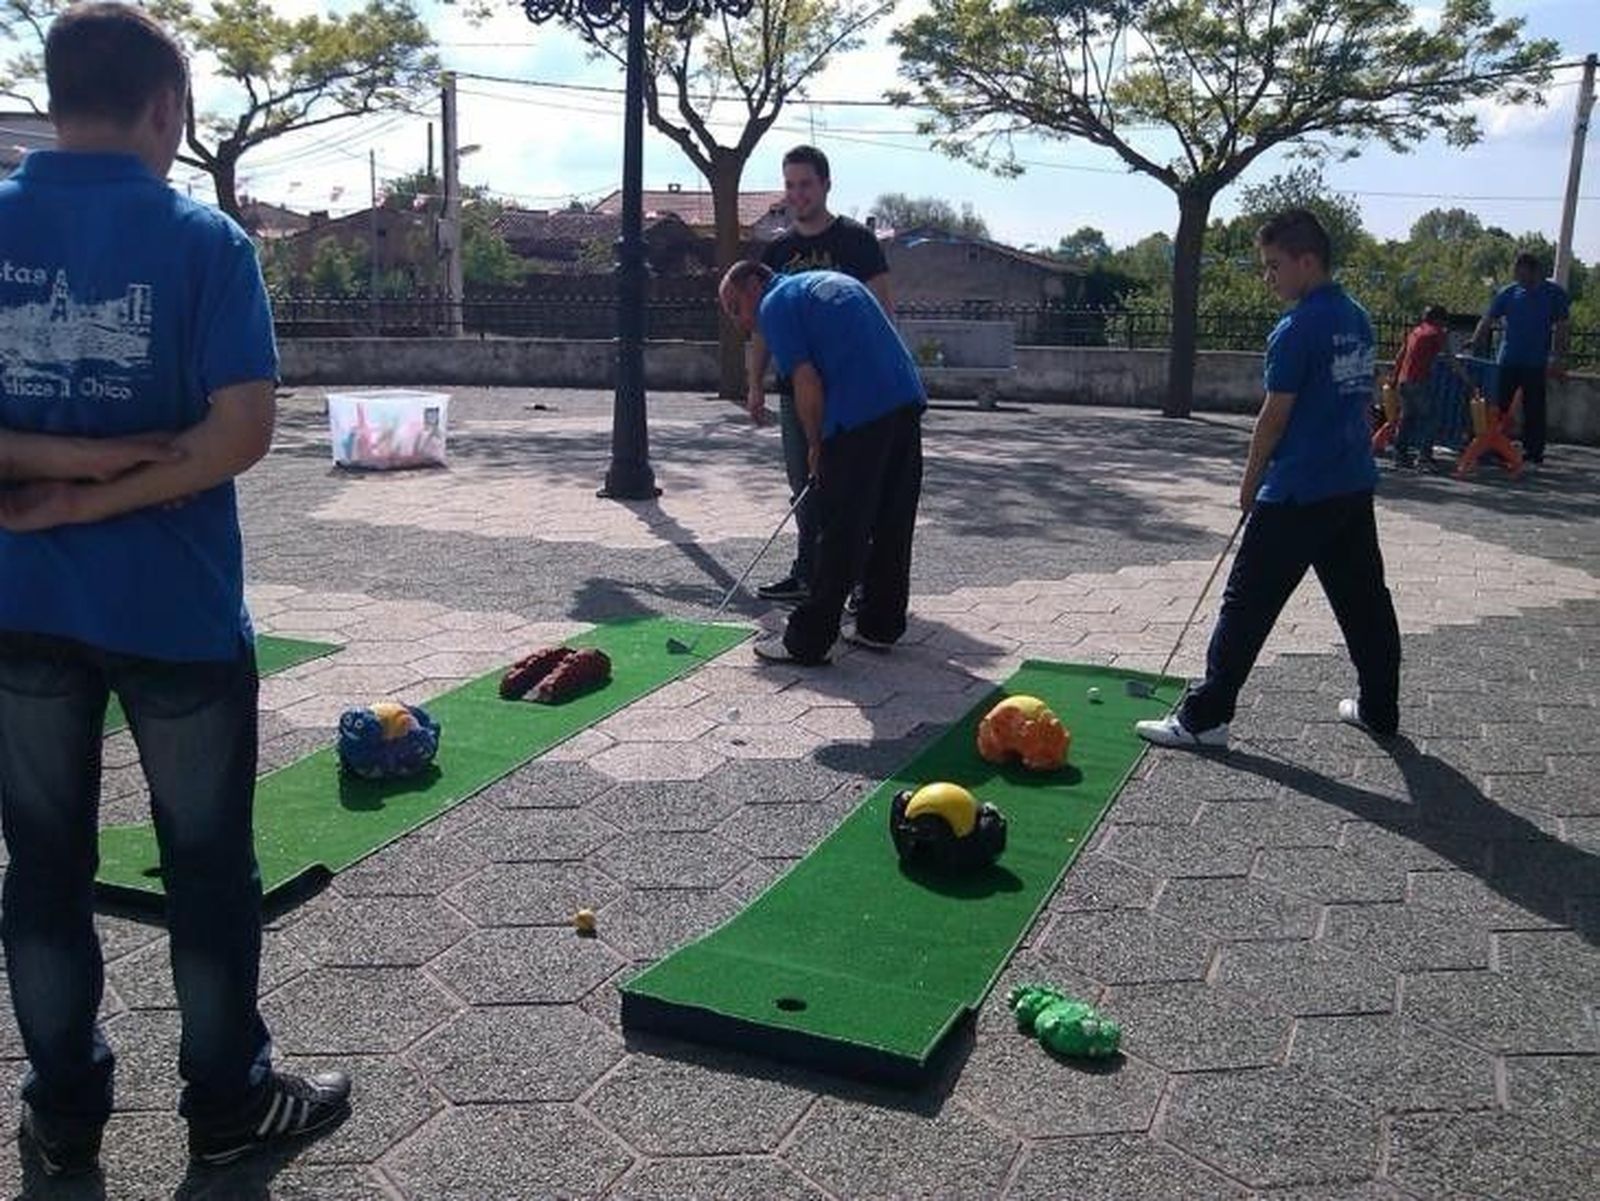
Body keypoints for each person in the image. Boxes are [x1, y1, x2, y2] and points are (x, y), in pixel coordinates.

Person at [0, 3, 350, 1177]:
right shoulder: (205, 243)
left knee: (40, 865)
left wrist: (51, 483)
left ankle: (62, 1107)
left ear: (56, 97)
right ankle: (227, 1101)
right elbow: (242, 431)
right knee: (204, 865)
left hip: (18, 605)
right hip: (176, 608)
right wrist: (104, 472)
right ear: (166, 108)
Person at [1135, 209, 1401, 751]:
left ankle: (1205, 719)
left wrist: (1249, 483)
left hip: (1299, 490)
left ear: (1307, 262)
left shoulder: (1296, 327)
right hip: (1351, 484)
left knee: (1246, 603)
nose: (1268, 277)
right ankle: (1379, 708)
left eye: (1274, 265)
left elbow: (1273, 417)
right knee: (1365, 601)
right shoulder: (1358, 317)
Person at [720, 262, 925, 664]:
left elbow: (806, 380)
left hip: (860, 412)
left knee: (840, 527)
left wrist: (816, 444)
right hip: (905, 400)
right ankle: (879, 625)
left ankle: (807, 641)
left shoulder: (776, 304)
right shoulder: (828, 283)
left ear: (754, 284)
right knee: (891, 520)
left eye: (735, 307)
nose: (741, 322)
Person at [747, 144, 894, 604]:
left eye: (806, 184)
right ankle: (809, 569)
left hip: (851, 394)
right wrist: (754, 384)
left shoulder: (856, 242)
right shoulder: (778, 250)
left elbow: (883, 312)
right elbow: (764, 326)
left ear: (826, 184)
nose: (798, 194)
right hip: (795, 392)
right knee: (804, 484)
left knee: (853, 486)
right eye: (790, 185)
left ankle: (856, 577)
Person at [1471, 251, 1571, 465]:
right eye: (1517, 274)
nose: (1519, 279)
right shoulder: (1509, 293)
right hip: (1508, 359)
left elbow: (1562, 327)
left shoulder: (1554, 294)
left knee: (1534, 407)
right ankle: (1497, 445)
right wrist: (1475, 340)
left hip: (1535, 361)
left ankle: (1533, 451)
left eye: (1522, 274)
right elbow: (1488, 318)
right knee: (1500, 406)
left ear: (1535, 271)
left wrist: (1558, 356)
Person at [1387, 304, 1474, 469]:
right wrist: (1466, 379)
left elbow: (1401, 355)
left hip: (1403, 381)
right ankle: (1424, 458)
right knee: (1430, 419)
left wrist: (1393, 377)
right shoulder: (1436, 332)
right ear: (1439, 319)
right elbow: (1450, 358)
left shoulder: (1415, 331)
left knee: (1407, 417)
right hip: (1419, 381)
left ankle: (1400, 454)